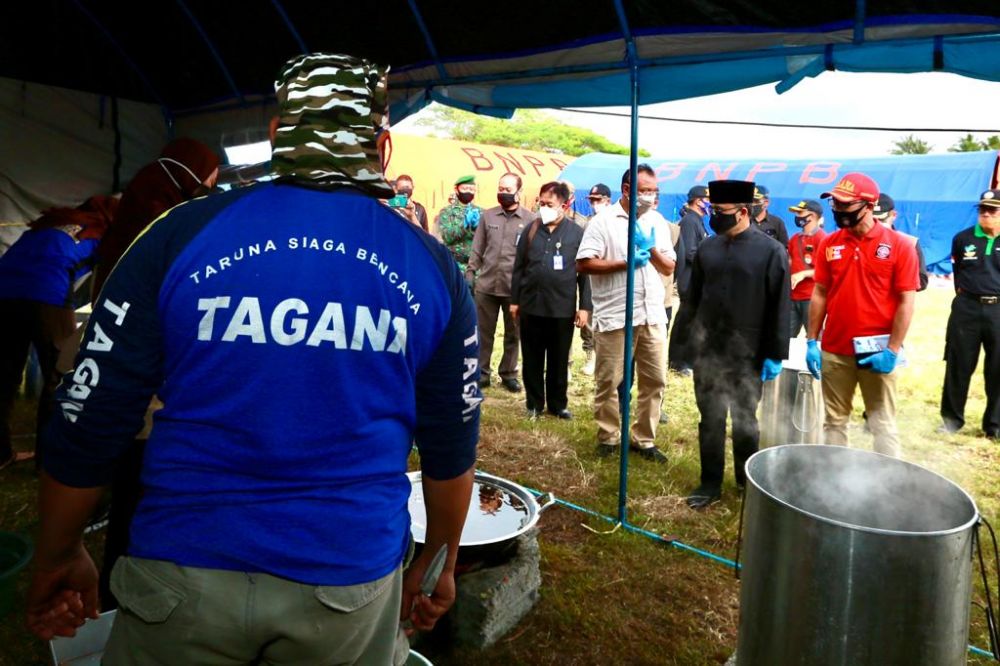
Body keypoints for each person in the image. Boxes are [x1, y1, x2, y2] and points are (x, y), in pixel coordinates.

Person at [27, 52, 480, 665]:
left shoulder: (179, 233)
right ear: (382, 147)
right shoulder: (430, 266)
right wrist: (439, 562)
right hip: (345, 578)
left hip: (182, 570)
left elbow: (91, 410)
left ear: (275, 137)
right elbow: (452, 442)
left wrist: (58, 550)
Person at [685, 180, 790, 509]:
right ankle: (710, 482)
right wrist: (685, 346)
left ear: (744, 212)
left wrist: (775, 353)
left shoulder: (771, 251)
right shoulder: (708, 248)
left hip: (748, 353)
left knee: (746, 421)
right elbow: (693, 299)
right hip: (709, 351)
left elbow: (780, 305)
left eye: (721, 212)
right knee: (711, 419)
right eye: (712, 210)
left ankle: (747, 483)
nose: (714, 216)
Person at [806, 172, 918, 458]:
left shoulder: (900, 245)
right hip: (835, 350)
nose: (837, 210)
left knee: (882, 424)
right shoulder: (829, 243)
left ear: (869, 206)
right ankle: (835, 480)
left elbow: (907, 300)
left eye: (845, 205)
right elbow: (820, 292)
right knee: (834, 421)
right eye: (835, 204)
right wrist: (812, 341)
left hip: (878, 353)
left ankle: (888, 487)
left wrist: (892, 349)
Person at [0, 196, 115, 470]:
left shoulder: (49, 224)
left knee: (2, 374)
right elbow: (103, 280)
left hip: (3, 292)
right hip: (46, 293)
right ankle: (50, 460)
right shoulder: (101, 232)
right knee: (60, 374)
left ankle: (0, 454)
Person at [576, 164, 676, 462]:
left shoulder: (657, 220)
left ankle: (643, 439)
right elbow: (584, 263)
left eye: (654, 191)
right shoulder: (603, 221)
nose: (650, 196)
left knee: (655, 380)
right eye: (645, 191)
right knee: (609, 380)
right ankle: (608, 436)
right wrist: (624, 263)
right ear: (627, 190)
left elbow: (669, 266)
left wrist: (651, 248)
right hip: (616, 314)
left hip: (652, 314)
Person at [93, 138, 220, 297]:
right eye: (208, 177)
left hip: (139, 280)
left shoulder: (171, 185)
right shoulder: (153, 190)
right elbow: (167, 238)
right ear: (192, 170)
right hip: (124, 284)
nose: (209, 186)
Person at [511, 181, 591, 419]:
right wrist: (515, 301)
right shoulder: (531, 229)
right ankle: (534, 404)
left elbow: (585, 274)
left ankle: (558, 404)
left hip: (561, 307)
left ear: (565, 206)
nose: (543, 207)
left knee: (558, 360)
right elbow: (518, 268)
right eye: (541, 203)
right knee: (532, 358)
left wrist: (584, 307)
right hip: (531, 305)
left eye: (550, 204)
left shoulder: (577, 233)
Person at [939, 189, 1000, 439]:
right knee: (958, 365)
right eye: (982, 209)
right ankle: (951, 421)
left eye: (992, 210)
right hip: (967, 307)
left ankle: (995, 425)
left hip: (999, 309)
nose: (985, 214)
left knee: (998, 368)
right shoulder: (962, 239)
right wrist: (967, 299)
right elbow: (958, 275)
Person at [466, 173, 533, 391]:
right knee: (483, 332)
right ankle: (482, 372)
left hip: (514, 288)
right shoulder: (488, 216)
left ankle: (509, 373)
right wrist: (470, 273)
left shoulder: (530, 220)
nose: (503, 193)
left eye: (508, 189)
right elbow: (478, 248)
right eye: (501, 188)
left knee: (514, 334)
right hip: (486, 285)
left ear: (519, 192)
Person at [668, 185, 710, 375]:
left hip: (698, 281)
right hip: (689, 281)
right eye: (706, 199)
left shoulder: (699, 221)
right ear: (698, 200)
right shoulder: (689, 222)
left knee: (693, 322)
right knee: (685, 322)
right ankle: (677, 361)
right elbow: (690, 252)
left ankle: (688, 359)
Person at [580, 183, 613, 375]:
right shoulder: (589, 222)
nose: (594, 204)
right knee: (589, 316)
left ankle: (604, 356)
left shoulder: (615, 220)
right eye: (591, 200)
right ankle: (590, 355)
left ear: (607, 200)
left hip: (610, 274)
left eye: (597, 200)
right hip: (591, 273)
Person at [786, 199, 826, 337]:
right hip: (792, 296)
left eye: (800, 213)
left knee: (813, 337)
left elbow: (826, 271)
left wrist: (803, 274)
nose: (797, 216)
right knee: (786, 337)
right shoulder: (795, 238)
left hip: (811, 297)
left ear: (813, 216)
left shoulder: (822, 239)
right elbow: (790, 260)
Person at [873, 193, 929, 292]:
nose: (878, 224)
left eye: (882, 219)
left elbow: (922, 281)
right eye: (874, 220)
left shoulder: (910, 242)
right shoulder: (858, 241)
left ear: (894, 215)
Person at [438, 175, 482, 272]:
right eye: (465, 188)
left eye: (471, 189)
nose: (468, 191)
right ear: (456, 190)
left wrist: (477, 228)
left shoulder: (481, 212)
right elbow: (447, 237)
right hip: (454, 265)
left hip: (475, 267)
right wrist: (464, 225)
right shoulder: (447, 212)